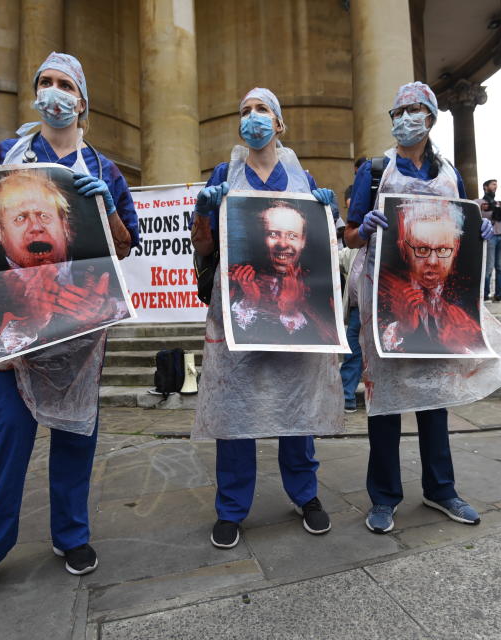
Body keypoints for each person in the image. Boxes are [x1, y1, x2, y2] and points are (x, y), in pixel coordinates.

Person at [0, 52, 138, 615]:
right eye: (44, 83)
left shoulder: (107, 169)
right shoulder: (9, 157)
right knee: (2, 437)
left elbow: (125, 244)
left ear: (82, 101)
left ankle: (71, 536)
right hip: (13, 331)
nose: (52, 92)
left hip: (79, 331)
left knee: (76, 437)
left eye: (64, 84)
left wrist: (104, 207)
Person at [344, 82, 501, 534]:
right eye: (397, 111)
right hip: (388, 304)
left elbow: (463, 220)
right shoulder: (376, 171)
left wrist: (481, 233)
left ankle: (441, 490)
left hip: (440, 304)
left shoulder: (450, 172)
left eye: (413, 110)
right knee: (385, 406)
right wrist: (366, 228)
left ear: (431, 117)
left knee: (437, 398)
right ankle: (384, 497)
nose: (404, 118)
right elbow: (349, 233)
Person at [191, 87, 341, 549]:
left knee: (297, 402)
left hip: (297, 314)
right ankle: (231, 508)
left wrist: (328, 214)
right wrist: (202, 210)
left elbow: (324, 246)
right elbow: (203, 246)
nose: (252, 118)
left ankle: (306, 495)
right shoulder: (224, 174)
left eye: (262, 111)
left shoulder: (302, 177)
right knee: (235, 408)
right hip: (240, 312)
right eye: (245, 111)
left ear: (279, 123)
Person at [0, 171, 128, 358]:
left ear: (65, 224)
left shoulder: (98, 263)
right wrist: (32, 323)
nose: (35, 227)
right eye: (20, 218)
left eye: (44, 215)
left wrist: (109, 309)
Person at [377, 200, 482, 353]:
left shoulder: (468, 300)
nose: (432, 261)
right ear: (404, 249)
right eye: (422, 249)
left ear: (456, 248)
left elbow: (480, 349)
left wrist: (461, 346)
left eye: (443, 250)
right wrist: (402, 329)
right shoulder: (385, 290)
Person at [228, 199, 336, 344]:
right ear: (261, 237)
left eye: (292, 236)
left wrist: (291, 310)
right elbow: (231, 336)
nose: (283, 244)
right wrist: (250, 301)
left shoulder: (320, 285)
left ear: (303, 241)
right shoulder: (238, 278)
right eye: (273, 234)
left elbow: (330, 340)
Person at [340, 158, 369, 412]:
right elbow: (337, 257)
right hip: (358, 305)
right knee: (352, 351)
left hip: (381, 302)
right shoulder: (354, 239)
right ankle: (347, 395)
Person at [478, 179, 501, 302]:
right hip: (490, 235)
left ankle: (499, 294)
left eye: (496, 185)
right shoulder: (479, 202)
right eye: (493, 184)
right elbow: (476, 215)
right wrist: (489, 209)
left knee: (500, 267)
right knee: (489, 266)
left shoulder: (500, 203)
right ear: (485, 187)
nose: (495, 187)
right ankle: (485, 295)